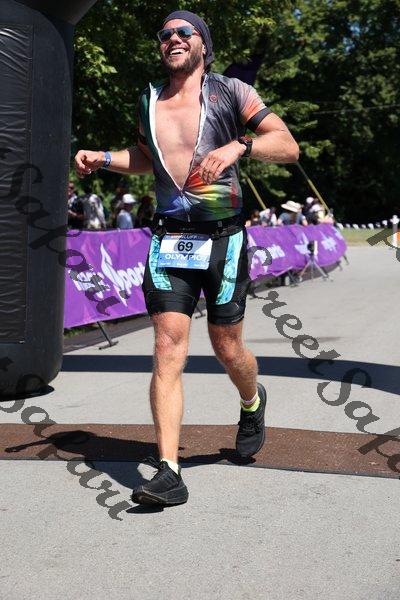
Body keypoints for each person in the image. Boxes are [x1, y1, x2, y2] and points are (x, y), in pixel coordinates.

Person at [74, 10, 299, 506]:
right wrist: (104, 158)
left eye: (183, 32)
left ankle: (252, 400)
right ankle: (169, 471)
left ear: (203, 43)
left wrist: (239, 146)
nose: (172, 39)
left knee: (228, 349)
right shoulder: (149, 98)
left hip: (223, 239)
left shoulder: (232, 92)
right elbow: (146, 159)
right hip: (170, 241)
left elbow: (288, 146)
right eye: (165, 34)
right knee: (167, 346)